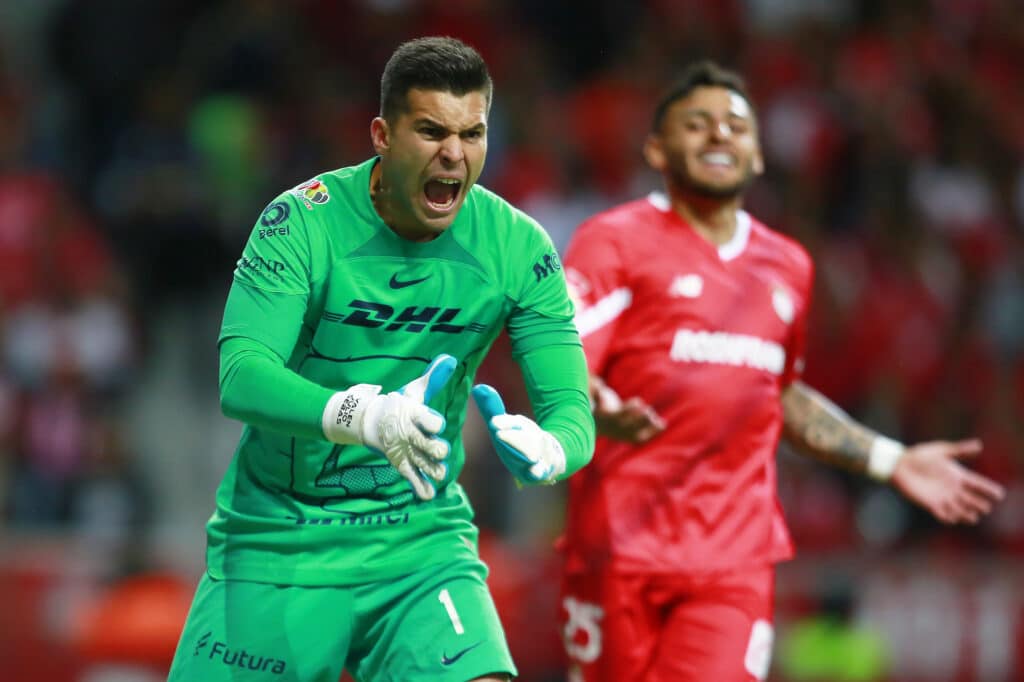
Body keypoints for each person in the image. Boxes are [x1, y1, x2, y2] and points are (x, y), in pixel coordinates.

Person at [557, 60, 1006, 682]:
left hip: (732, 562)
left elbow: (779, 394)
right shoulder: (613, 242)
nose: (720, 135)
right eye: (698, 124)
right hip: (618, 551)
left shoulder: (787, 266)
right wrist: (591, 404)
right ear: (657, 148)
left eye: (736, 126)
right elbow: (562, 356)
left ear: (759, 154)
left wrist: (890, 460)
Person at [168, 36, 594, 682]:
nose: (454, 153)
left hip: (420, 542)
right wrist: (360, 415)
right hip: (284, 538)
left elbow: (572, 411)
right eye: (430, 131)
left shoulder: (517, 246)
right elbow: (242, 376)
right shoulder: (301, 224)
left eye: (472, 133)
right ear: (382, 135)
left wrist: (554, 450)